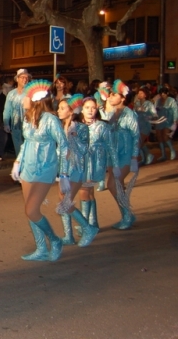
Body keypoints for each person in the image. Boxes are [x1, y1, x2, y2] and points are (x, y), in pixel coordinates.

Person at [10, 79, 68, 262]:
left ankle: (55, 240)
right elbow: (26, 143)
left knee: (32, 210)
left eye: (26, 96)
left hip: (45, 167)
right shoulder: (28, 117)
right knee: (29, 210)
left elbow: (64, 145)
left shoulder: (50, 119)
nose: (22, 99)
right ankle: (41, 248)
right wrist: (17, 162)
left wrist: (63, 173)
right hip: (28, 167)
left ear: (36, 99)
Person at [55, 96, 99, 247]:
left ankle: (88, 228)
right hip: (63, 169)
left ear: (71, 111)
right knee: (62, 199)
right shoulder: (60, 126)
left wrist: (74, 139)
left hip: (76, 168)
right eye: (59, 108)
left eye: (62, 108)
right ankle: (68, 235)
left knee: (66, 201)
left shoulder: (80, 128)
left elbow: (84, 149)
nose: (58, 111)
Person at [101, 80, 139, 230]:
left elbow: (136, 136)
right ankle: (127, 215)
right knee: (117, 186)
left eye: (114, 95)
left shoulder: (129, 114)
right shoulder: (112, 113)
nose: (110, 97)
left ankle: (127, 215)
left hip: (125, 154)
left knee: (113, 184)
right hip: (113, 155)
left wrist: (134, 157)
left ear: (123, 98)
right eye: (110, 94)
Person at [77, 96, 115, 229]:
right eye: (87, 107)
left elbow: (111, 146)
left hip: (95, 163)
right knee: (89, 192)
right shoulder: (77, 125)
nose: (90, 110)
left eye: (93, 108)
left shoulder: (102, 126)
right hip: (80, 162)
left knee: (84, 190)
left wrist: (114, 165)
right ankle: (93, 223)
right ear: (82, 109)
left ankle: (85, 226)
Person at [3, 68, 31, 156]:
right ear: (17, 79)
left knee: (28, 150)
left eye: (26, 78)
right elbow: (7, 109)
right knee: (18, 151)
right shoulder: (11, 94)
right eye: (22, 77)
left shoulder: (30, 92)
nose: (25, 79)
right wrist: (6, 123)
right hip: (15, 127)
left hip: (28, 126)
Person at [133, 88, 158, 165]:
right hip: (137, 126)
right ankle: (146, 157)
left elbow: (155, 115)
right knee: (140, 142)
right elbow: (133, 114)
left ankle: (136, 161)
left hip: (145, 126)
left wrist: (147, 116)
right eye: (138, 93)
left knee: (138, 143)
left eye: (141, 93)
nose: (139, 94)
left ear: (145, 95)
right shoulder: (136, 103)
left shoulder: (149, 104)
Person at [153, 87, 177, 161]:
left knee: (165, 136)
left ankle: (172, 150)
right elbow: (154, 111)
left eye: (164, 93)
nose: (162, 95)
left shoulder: (171, 100)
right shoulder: (157, 101)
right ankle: (163, 154)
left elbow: (175, 110)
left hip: (168, 120)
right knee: (159, 137)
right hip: (159, 120)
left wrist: (175, 121)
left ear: (167, 93)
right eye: (161, 94)